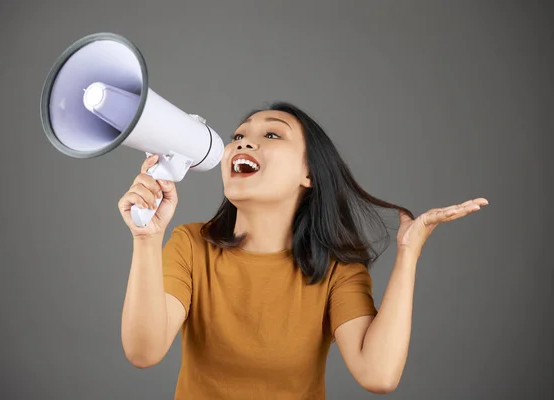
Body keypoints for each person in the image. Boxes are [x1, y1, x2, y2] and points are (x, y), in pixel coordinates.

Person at [118, 102, 488, 399]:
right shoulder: (191, 245)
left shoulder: (337, 270)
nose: (244, 142)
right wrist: (147, 239)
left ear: (308, 174)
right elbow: (143, 352)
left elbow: (378, 375)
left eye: (272, 134)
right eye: (239, 135)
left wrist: (408, 255)